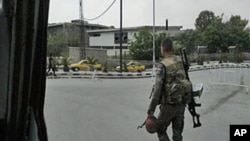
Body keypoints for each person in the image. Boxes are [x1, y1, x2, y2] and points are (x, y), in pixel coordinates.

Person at [147, 38, 192, 141]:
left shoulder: (162, 65)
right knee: (177, 133)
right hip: (181, 103)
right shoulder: (180, 60)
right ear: (171, 48)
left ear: (163, 48)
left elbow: (157, 90)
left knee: (160, 130)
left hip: (168, 105)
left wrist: (150, 111)